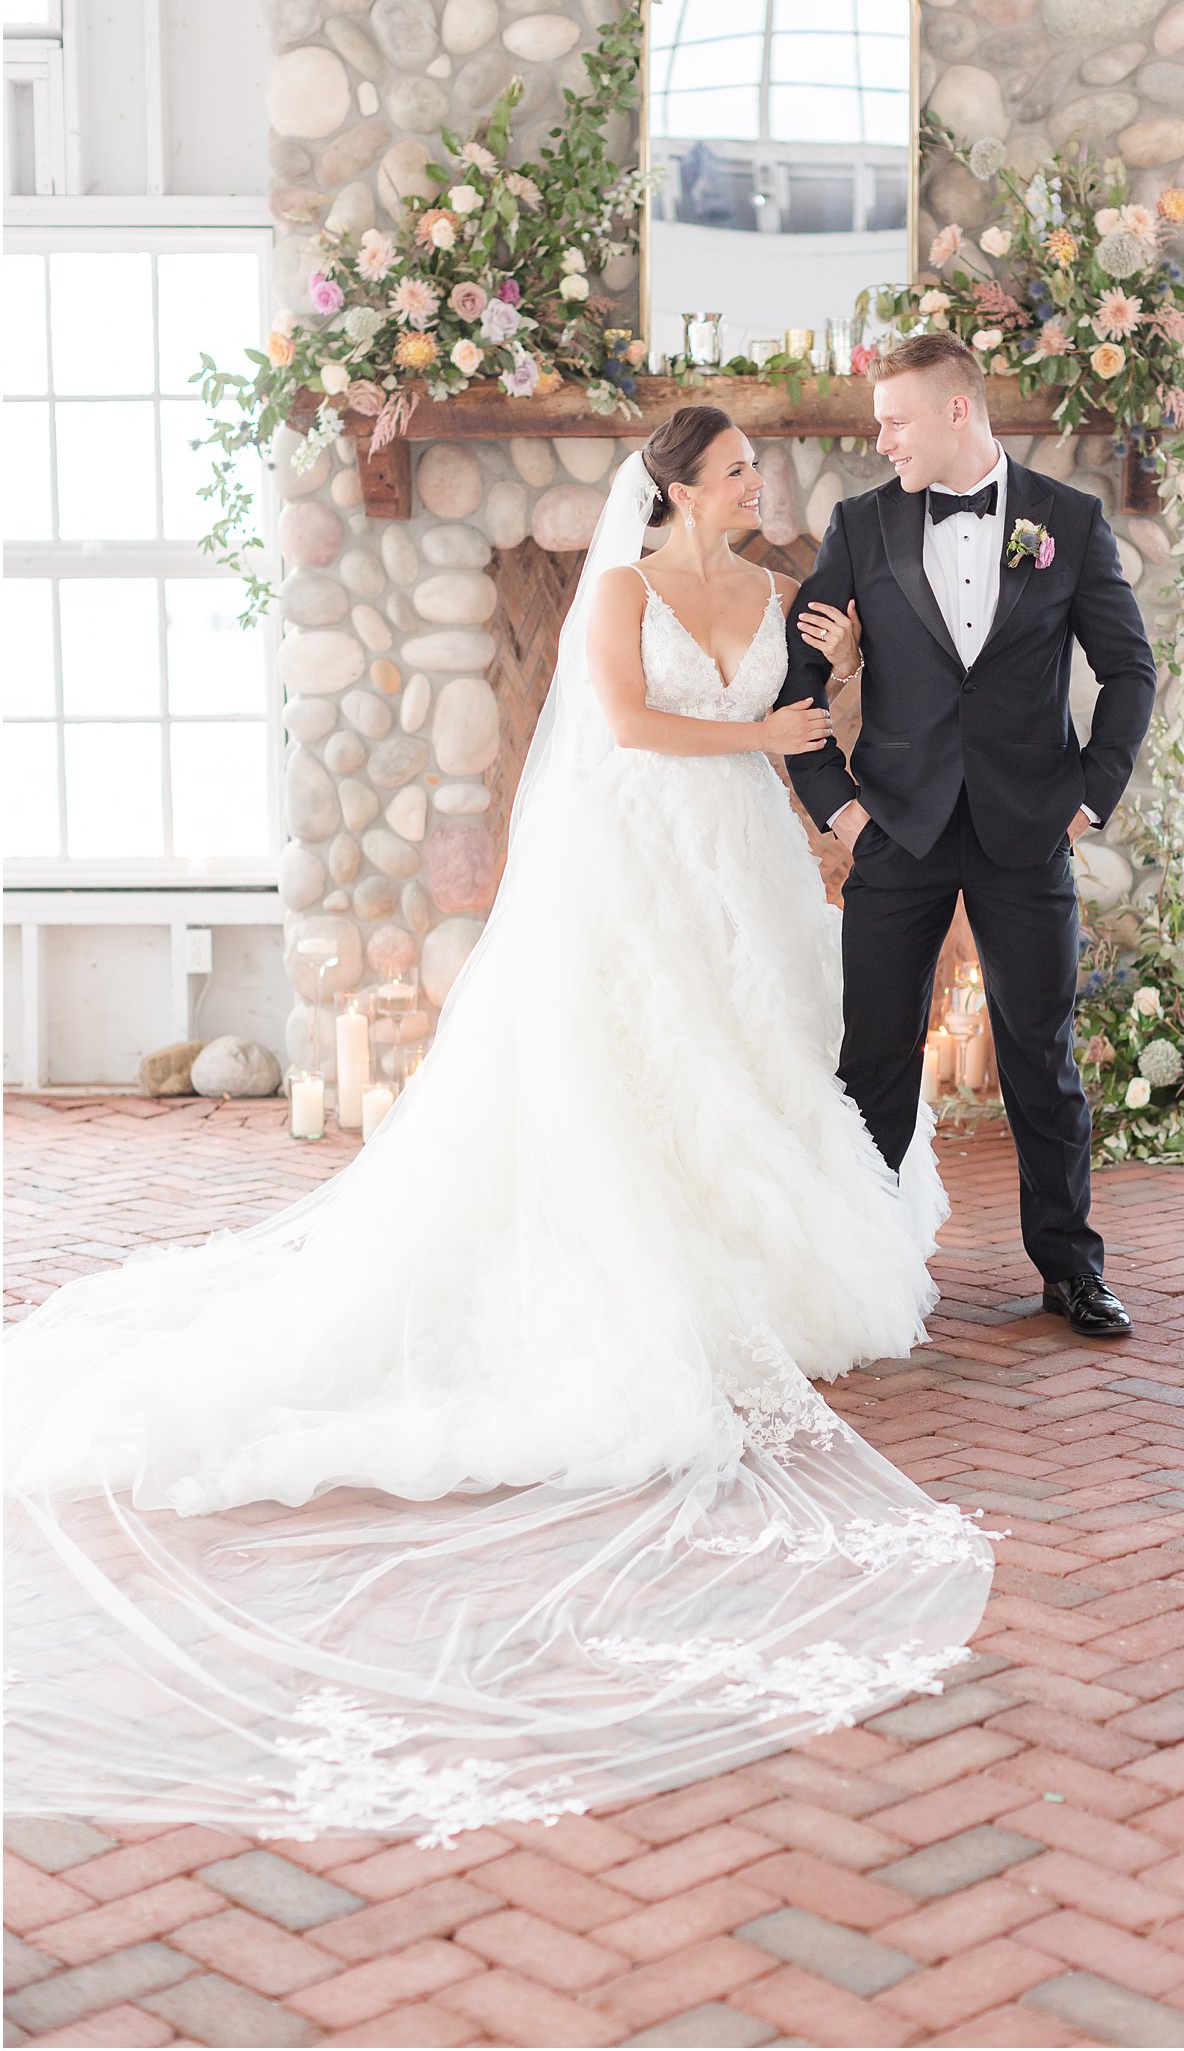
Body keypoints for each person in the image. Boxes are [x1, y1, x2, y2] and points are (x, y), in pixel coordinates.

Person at [3, 407, 996, 1847]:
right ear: (673, 487)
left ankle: (777, 1250)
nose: (755, 489)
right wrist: (764, 724)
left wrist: (829, 694)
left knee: (771, 1050)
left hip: (745, 862)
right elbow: (628, 724)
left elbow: (807, 741)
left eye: (753, 475)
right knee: (645, 1066)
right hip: (643, 857)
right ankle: (658, 1252)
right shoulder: (614, 589)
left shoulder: (782, 598)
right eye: (733, 474)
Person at [779, 334, 1157, 1340]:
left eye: (894, 419)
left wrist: (1088, 797)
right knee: (872, 1061)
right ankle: (860, 1272)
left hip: (1026, 825)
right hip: (894, 827)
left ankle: (1070, 1272)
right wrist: (842, 809)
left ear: (957, 413)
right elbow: (797, 689)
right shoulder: (857, 525)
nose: (878, 436)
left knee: (1041, 1055)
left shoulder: (1066, 523)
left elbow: (1128, 672)